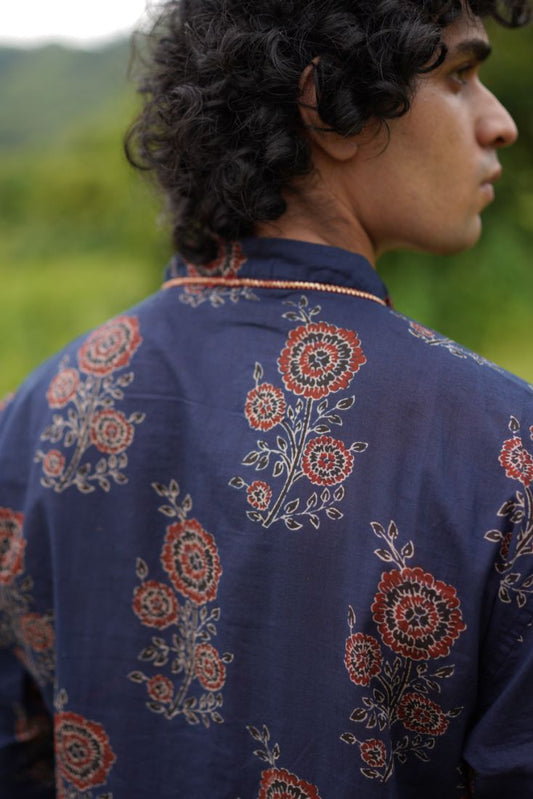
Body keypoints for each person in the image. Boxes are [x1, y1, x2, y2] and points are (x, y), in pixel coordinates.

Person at [1, 1, 532, 796]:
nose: (499, 123)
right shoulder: (504, 443)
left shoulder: (34, 417)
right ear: (330, 106)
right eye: (457, 74)